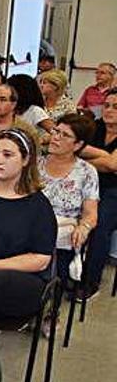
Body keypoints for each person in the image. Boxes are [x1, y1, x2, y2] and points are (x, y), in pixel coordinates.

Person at [0, 129, 56, 332]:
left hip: (18, 281)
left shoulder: (38, 206)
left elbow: (40, 259)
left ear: (25, 159)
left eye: (7, 155)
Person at [39, 114, 98, 294]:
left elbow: (91, 213)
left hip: (61, 232)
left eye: (64, 135)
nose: (56, 137)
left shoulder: (87, 172)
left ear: (78, 145)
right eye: (56, 131)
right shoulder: (35, 164)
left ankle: (48, 307)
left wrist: (84, 227)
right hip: (31, 225)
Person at [77, 89, 117, 298]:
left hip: (113, 190)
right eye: (107, 105)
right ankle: (67, 274)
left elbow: (113, 164)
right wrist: (104, 155)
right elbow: (77, 148)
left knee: (98, 225)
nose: (109, 110)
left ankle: (90, 281)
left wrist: (89, 160)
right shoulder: (95, 127)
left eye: (115, 107)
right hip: (84, 184)